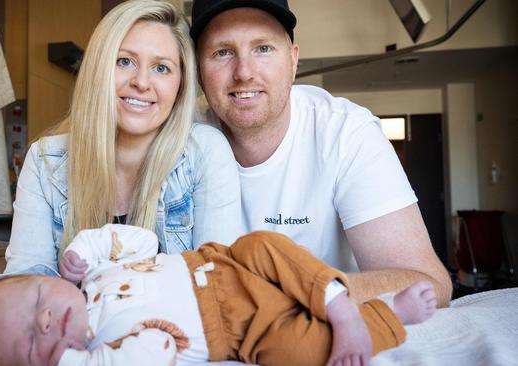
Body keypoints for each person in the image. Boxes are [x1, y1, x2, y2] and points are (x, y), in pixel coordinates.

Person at [0, 0, 242, 299]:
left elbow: (215, 283)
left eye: (161, 68)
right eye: (124, 61)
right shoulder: (44, 162)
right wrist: (9, 284)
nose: (142, 82)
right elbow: (32, 274)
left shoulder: (204, 152)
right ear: (97, 70)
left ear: (181, 86)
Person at [189, 0, 452, 306]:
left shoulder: (346, 133)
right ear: (198, 70)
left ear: (293, 60)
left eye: (263, 48)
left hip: (333, 330)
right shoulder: (178, 138)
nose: (244, 72)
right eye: (223, 52)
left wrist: (297, 293)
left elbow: (429, 285)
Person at [0, 224, 437, 366]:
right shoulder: (107, 347)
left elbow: (144, 242)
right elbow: (159, 348)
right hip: (242, 332)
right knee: (296, 350)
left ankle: (339, 303)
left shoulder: (93, 276)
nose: (43, 320)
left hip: (221, 263)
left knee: (264, 243)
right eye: (29, 345)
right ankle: (387, 316)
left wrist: (85, 249)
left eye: (37, 298)